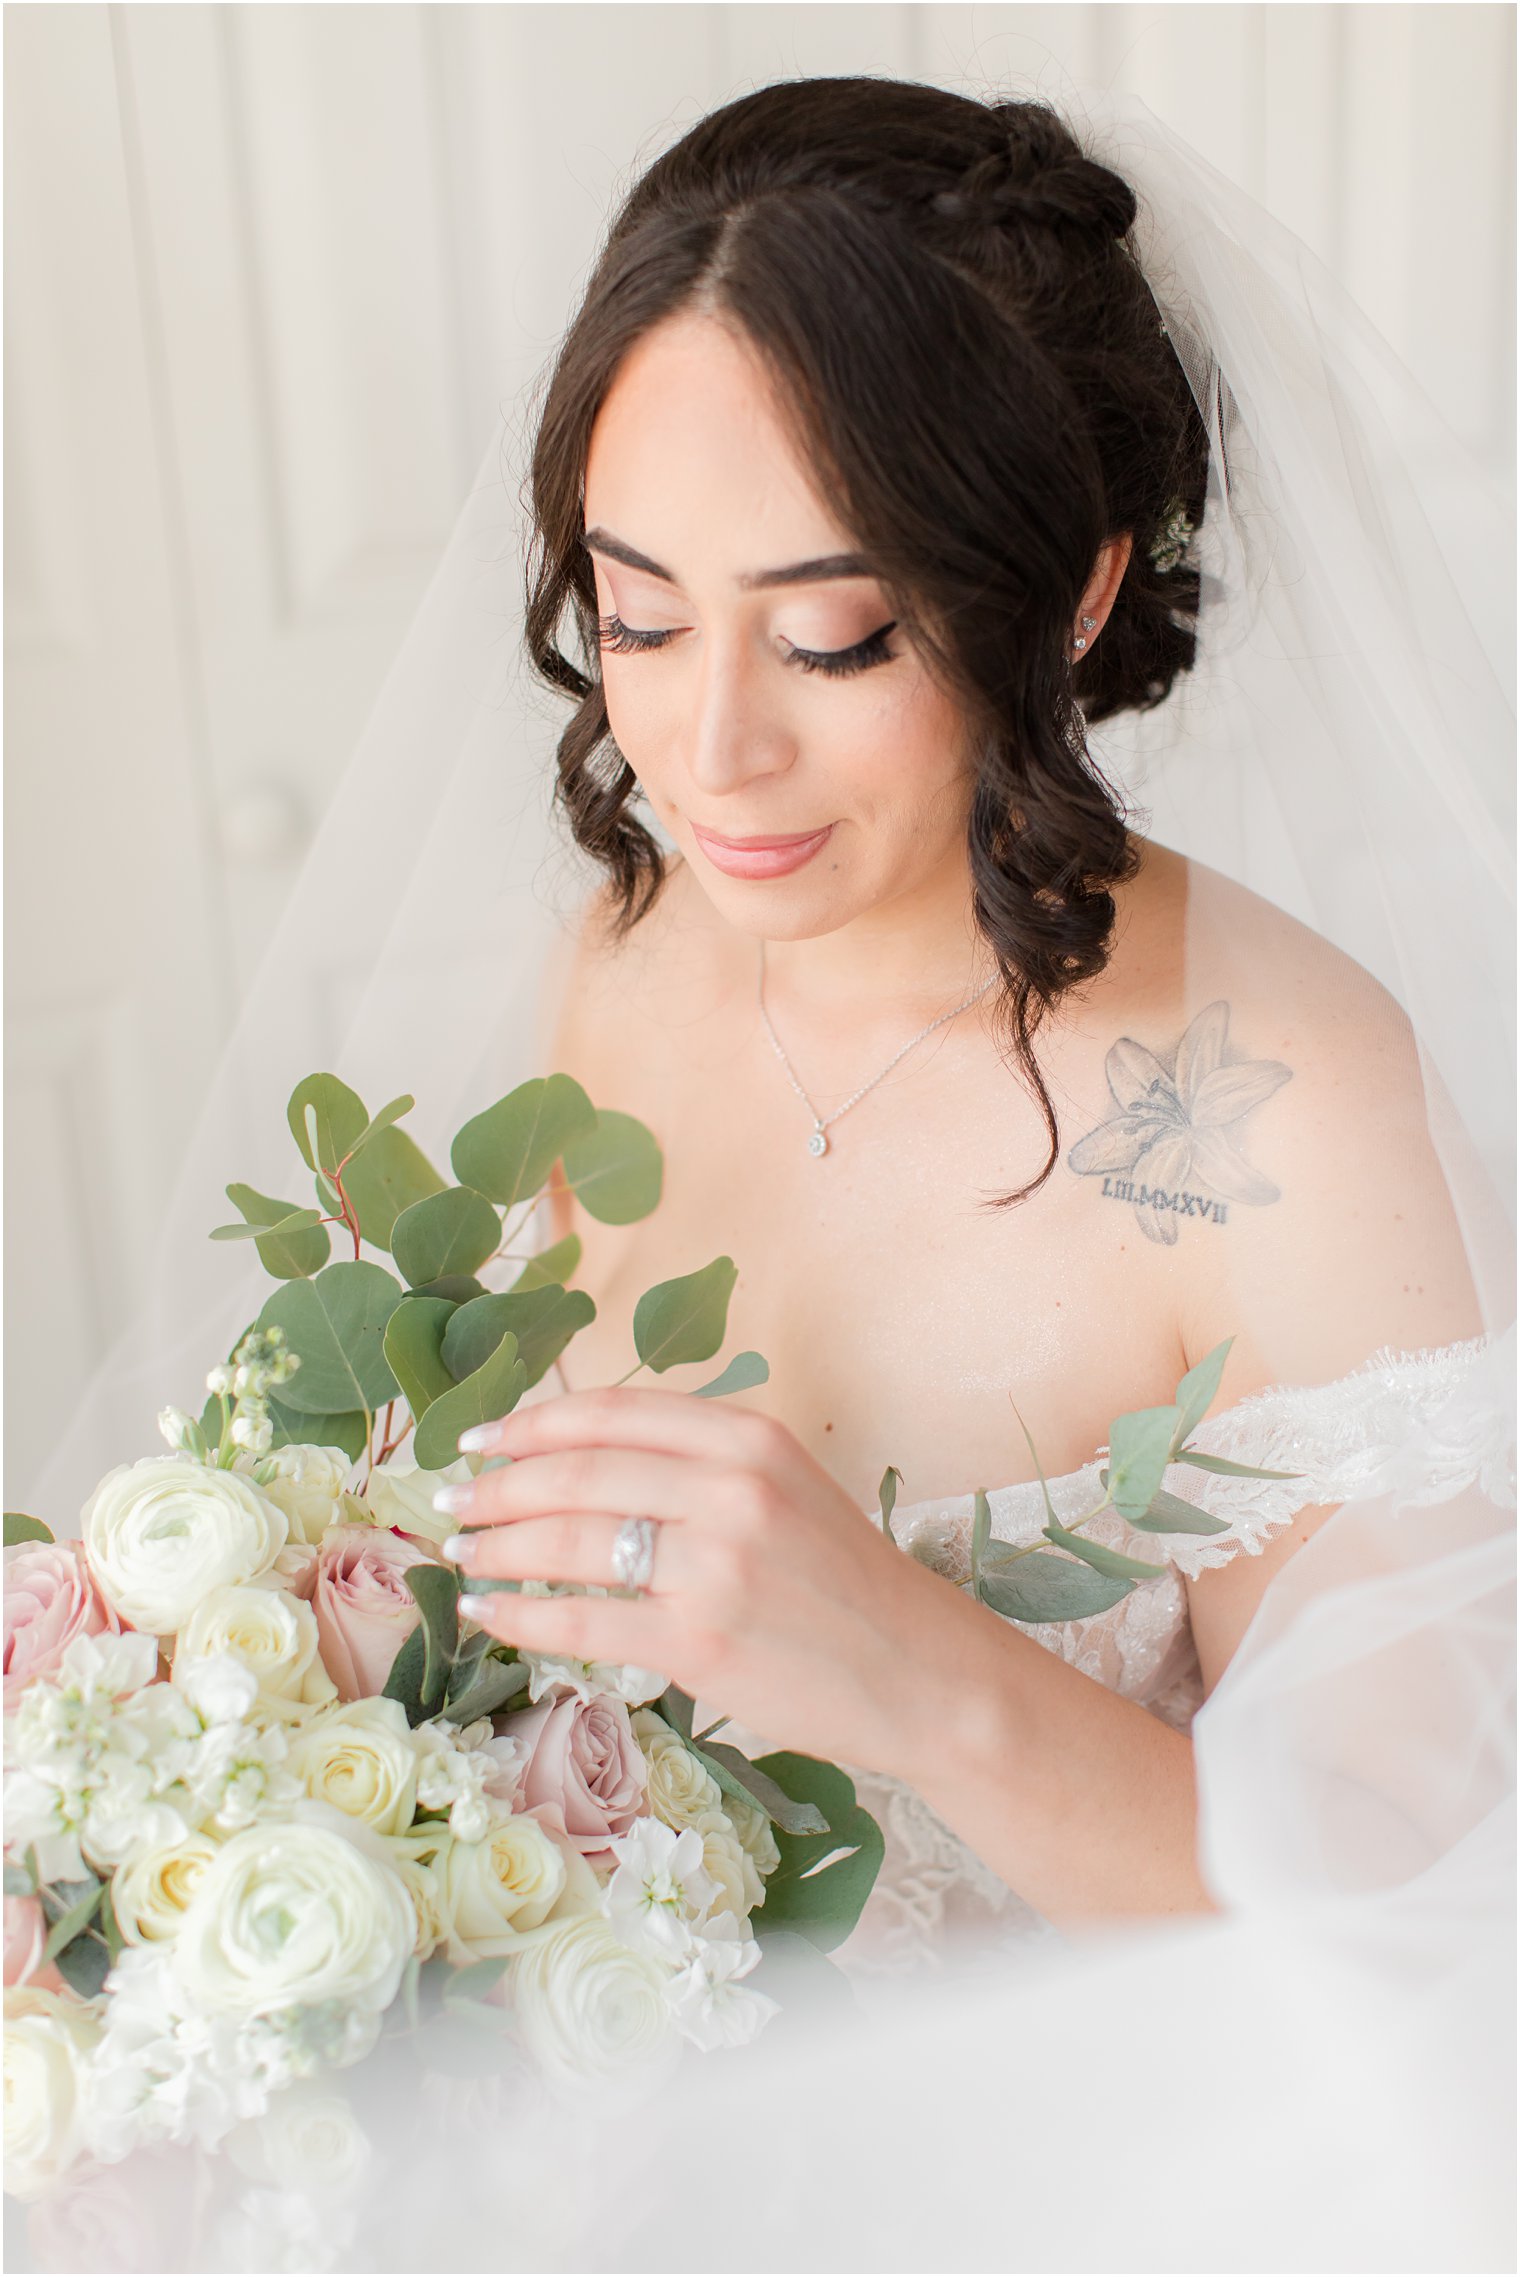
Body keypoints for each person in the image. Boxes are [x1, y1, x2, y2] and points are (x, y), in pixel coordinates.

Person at [421, 79, 1496, 1967]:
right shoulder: (628, 951)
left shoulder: (1282, 1105)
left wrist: (906, 1662)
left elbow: (1412, 1899)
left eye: (833, 637)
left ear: (1071, 597)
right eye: (641, 618)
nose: (710, 752)